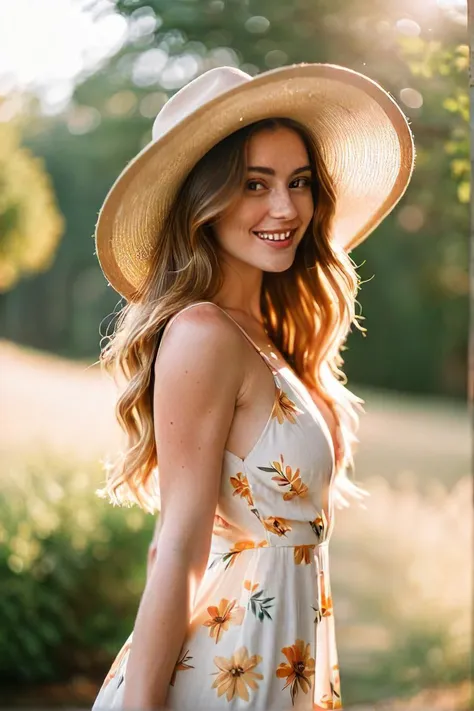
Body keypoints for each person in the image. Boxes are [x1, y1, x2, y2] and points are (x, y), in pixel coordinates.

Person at [91, 64, 415, 710]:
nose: (285, 208)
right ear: (203, 204)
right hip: (227, 671)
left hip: (284, 659)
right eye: (253, 185)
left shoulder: (267, 335)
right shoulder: (203, 333)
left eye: (299, 183)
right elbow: (177, 542)